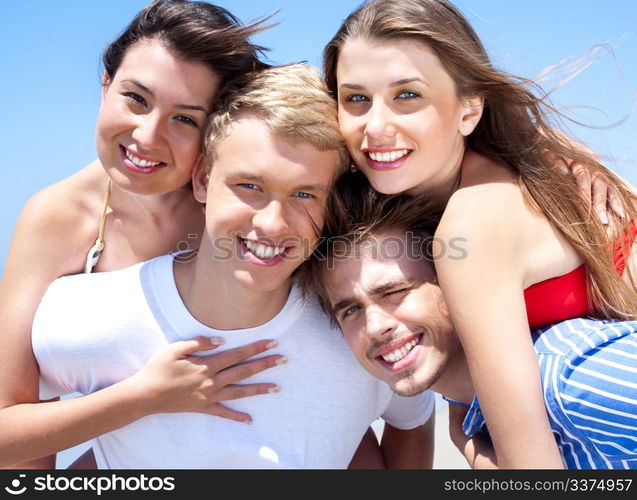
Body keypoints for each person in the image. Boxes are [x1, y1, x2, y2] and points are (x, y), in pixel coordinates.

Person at [18, 63, 435, 469]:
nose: (272, 222)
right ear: (202, 180)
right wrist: (137, 399)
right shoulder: (91, 315)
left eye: (305, 195)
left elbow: (412, 420)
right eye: (249, 186)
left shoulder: (357, 327)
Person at [322, 0, 637, 468]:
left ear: (469, 109)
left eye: (408, 95)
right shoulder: (467, 179)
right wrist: (470, 443)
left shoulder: (470, 228)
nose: (376, 126)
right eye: (356, 99)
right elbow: (466, 403)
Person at [0, 0, 283, 469]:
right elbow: (8, 432)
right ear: (105, 85)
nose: (148, 136)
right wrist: (144, 397)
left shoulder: (248, 215)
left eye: (185, 118)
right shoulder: (55, 218)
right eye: (136, 98)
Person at [302, 170, 637, 469]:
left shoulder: (566, 380)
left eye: (395, 292)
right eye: (350, 310)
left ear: (453, 283)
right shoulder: (469, 420)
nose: (375, 327)